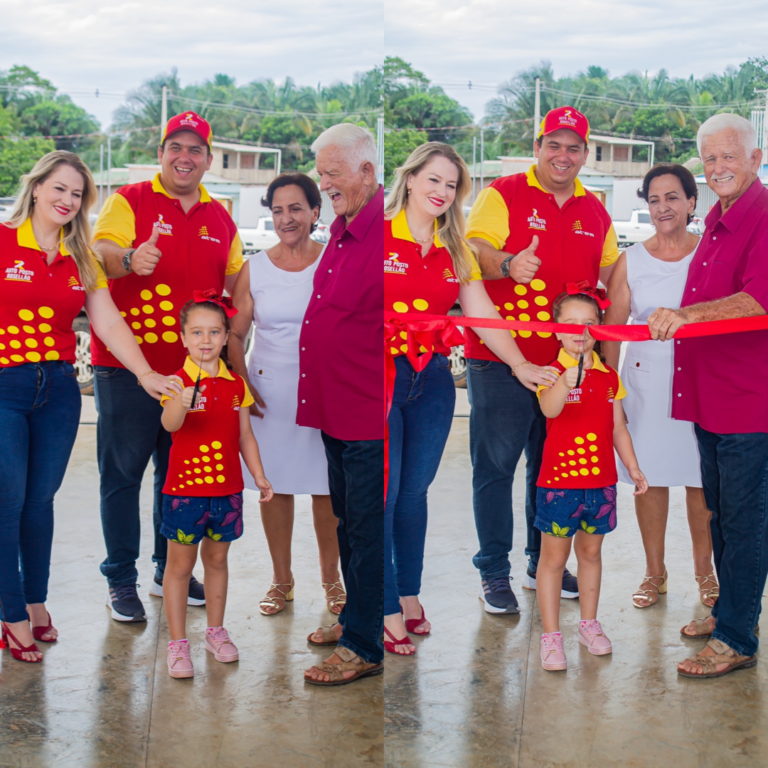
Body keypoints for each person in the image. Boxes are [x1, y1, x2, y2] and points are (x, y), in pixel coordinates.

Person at [383, 143, 559, 654]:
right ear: (411, 178)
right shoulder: (379, 236)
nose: (441, 192)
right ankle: (386, 603)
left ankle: (410, 595)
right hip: (380, 378)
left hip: (430, 379)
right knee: (386, 497)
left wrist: (521, 362)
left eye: (451, 184)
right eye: (433, 180)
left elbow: (483, 314)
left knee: (414, 494)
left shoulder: (455, 247)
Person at [0, 151, 173, 663]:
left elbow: (109, 321)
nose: (67, 201)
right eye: (59, 189)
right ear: (36, 189)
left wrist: (144, 373)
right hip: (4, 384)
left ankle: (35, 601)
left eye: (77, 194)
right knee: (7, 503)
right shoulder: (5, 241)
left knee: (40, 502)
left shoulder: (81, 258)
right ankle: (10, 613)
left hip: (56, 389)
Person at [464, 106, 619, 613]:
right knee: (495, 469)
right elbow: (473, 251)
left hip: (567, 368)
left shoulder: (595, 211)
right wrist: (508, 264)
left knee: (547, 469)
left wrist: (608, 355)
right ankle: (493, 571)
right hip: (501, 358)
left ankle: (540, 561)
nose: (563, 154)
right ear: (538, 147)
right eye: (554, 144)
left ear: (585, 154)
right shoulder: (503, 193)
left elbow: (615, 279)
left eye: (574, 147)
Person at [91, 111, 244, 623]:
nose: (185, 156)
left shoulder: (220, 217)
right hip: (127, 369)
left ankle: (166, 568)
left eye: (195, 149)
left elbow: (238, 284)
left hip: (193, 376)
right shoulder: (129, 201)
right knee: (122, 476)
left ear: (207, 158)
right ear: (161, 153)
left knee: (175, 479)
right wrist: (131, 257)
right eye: (175, 147)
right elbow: (101, 252)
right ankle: (120, 578)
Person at [648, 114, 768, 679]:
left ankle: (738, 637)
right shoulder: (719, 216)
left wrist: (688, 315)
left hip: (748, 401)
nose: (718, 167)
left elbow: (757, 302)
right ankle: (728, 615)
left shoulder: (763, 216)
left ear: (755, 158)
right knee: (722, 515)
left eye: (729, 157)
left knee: (744, 521)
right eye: (710, 158)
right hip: (711, 398)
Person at [228, 173, 343, 617]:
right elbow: (236, 335)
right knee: (272, 488)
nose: (286, 218)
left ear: (316, 212)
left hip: (325, 392)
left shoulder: (334, 260)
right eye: (277, 210)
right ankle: (281, 580)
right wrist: (244, 386)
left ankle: (333, 580)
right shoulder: (254, 267)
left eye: (296, 208)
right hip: (267, 394)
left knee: (326, 489)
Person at [603, 165, 716, 609]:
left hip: (702, 383)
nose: (663, 207)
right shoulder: (631, 260)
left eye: (673, 197)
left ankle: (706, 574)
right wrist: (610, 395)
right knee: (647, 480)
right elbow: (613, 333)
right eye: (654, 199)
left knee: (700, 481)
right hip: (647, 387)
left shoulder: (709, 252)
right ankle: (655, 573)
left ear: (692, 203)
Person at [301, 124, 384, 686]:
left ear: (366, 172)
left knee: (366, 529)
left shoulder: (385, 236)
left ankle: (363, 644)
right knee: (348, 524)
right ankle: (357, 617)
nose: (322, 181)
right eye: (320, 170)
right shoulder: (342, 226)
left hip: (365, 415)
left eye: (332, 172)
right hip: (336, 413)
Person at [159, 293, 273, 678]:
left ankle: (215, 631)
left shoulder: (235, 384)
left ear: (226, 337)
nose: (205, 340)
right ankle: (177, 643)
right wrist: (183, 400)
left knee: (218, 561)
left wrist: (257, 475)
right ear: (183, 338)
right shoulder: (176, 382)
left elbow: (244, 436)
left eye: (214, 332)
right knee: (179, 566)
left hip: (227, 492)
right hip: (184, 494)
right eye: (196, 332)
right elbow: (170, 425)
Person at [536, 286, 648, 671]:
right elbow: (550, 410)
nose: (579, 330)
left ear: (599, 329)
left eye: (589, 323)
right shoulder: (549, 372)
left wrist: (632, 467)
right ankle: (551, 636)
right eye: (569, 323)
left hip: (600, 484)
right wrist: (563, 384)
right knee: (553, 559)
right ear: (556, 330)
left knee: (591, 553)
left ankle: (588, 623)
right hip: (557, 485)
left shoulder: (609, 376)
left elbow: (618, 427)